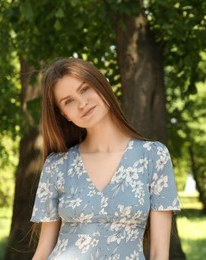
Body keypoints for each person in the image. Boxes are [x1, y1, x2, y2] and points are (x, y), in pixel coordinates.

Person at [31, 57, 180, 260]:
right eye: (69, 101)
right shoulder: (57, 165)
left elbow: (159, 254)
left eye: (85, 89)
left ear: (103, 85)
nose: (82, 103)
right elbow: (43, 251)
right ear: (64, 114)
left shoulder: (153, 156)